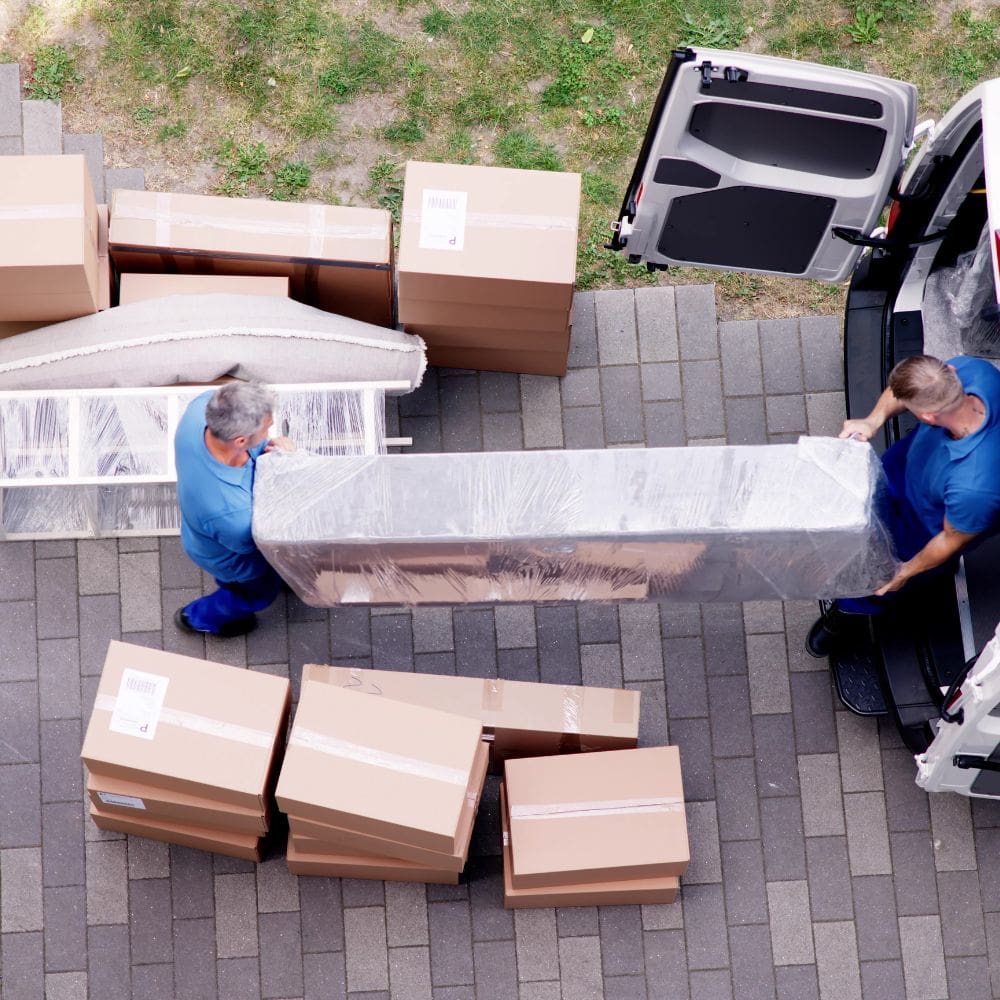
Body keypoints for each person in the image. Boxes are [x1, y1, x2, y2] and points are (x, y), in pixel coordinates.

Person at [807, 354, 1000, 657]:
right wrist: (873, 420)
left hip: (924, 527)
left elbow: (950, 539)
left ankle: (849, 614)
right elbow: (902, 390)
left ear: (927, 418)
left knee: (878, 575)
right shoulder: (972, 371)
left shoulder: (975, 487)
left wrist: (905, 571)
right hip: (904, 470)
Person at [173, 381, 294, 638]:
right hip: (234, 560)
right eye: (266, 428)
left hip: (202, 531)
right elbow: (264, 541)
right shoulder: (233, 516)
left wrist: (269, 449)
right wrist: (289, 464)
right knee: (254, 594)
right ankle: (201, 618)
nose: (270, 431)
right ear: (240, 440)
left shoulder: (203, 408)